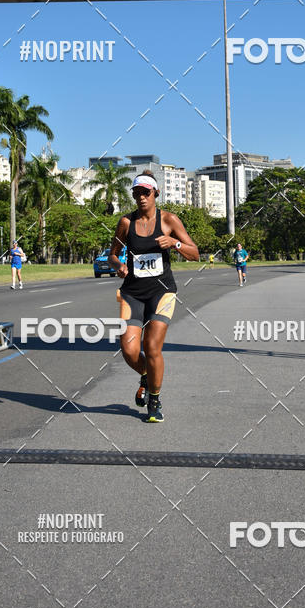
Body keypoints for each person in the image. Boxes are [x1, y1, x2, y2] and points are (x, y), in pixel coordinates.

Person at [109, 171, 199, 423]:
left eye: (145, 193)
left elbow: (195, 254)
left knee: (151, 347)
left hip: (162, 292)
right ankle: (147, 376)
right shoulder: (126, 223)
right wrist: (119, 266)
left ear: (155, 194)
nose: (140, 197)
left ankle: (155, 399)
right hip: (132, 292)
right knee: (128, 349)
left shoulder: (169, 220)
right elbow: (113, 254)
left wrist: (174, 244)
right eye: (136, 193)